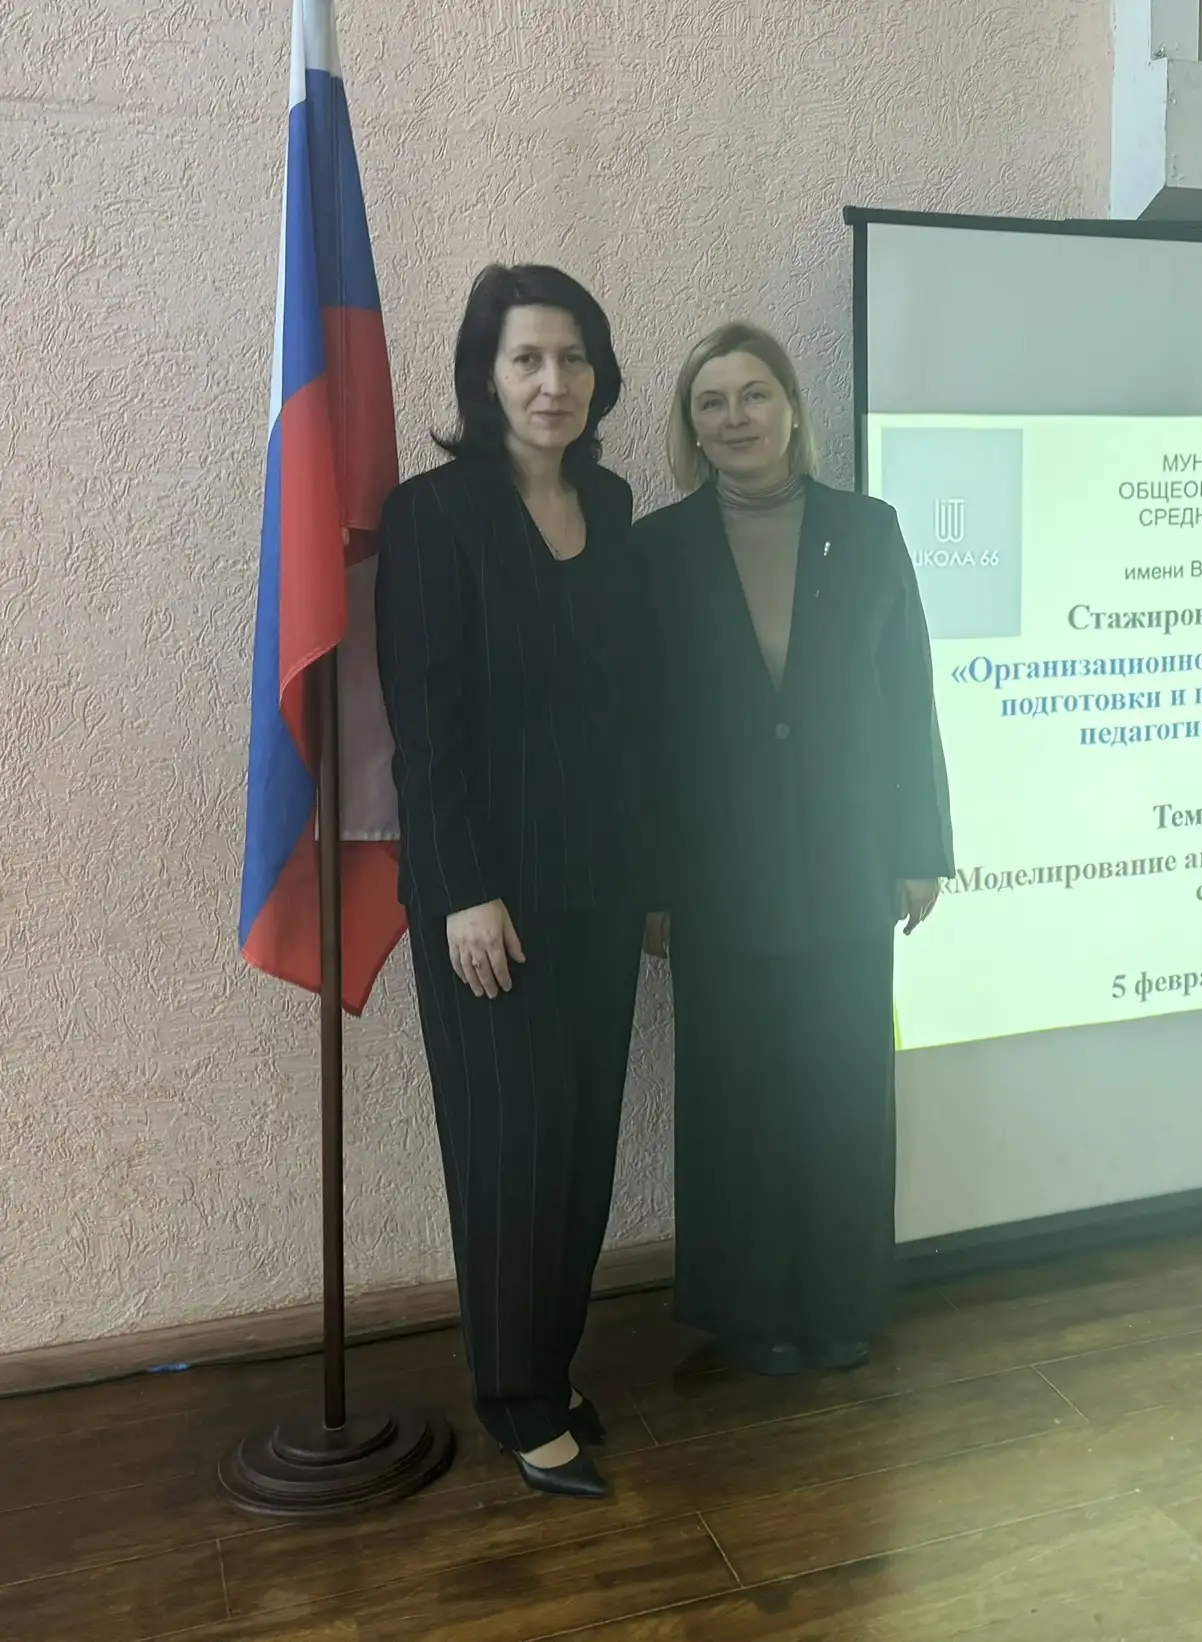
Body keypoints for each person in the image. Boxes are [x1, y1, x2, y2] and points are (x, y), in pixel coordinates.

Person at [629, 322, 952, 1377]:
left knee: (842, 1094)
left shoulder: (868, 530)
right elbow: (644, 733)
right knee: (736, 1102)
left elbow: (908, 695)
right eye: (711, 402)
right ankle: (751, 1311)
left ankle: (844, 1305)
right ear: (690, 428)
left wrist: (920, 849)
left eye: (754, 394)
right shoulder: (656, 550)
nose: (735, 418)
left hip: (850, 867)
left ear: (793, 409)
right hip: (715, 883)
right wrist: (652, 884)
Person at [374, 264, 642, 1498]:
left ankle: (552, 1364)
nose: (553, 381)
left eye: (573, 357)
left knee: (581, 1146)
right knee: (511, 1153)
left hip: (600, 886)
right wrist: (460, 888)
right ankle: (517, 1400)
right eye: (527, 357)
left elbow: (626, 712)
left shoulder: (613, 501)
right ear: (485, 377)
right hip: (489, 902)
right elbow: (423, 726)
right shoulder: (433, 515)